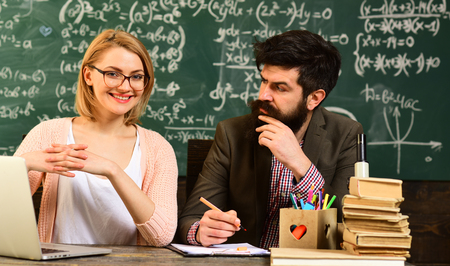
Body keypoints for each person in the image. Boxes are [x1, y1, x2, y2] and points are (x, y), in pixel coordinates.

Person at [177, 30, 363, 249]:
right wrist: (200, 231)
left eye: (279, 87)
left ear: (314, 98)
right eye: (264, 81)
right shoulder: (231, 133)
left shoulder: (347, 135)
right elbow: (191, 218)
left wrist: (300, 164)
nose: (264, 94)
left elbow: (350, 222)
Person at [14, 29, 178, 247]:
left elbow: (162, 235)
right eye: (113, 73)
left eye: (137, 77)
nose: (125, 86)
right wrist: (23, 164)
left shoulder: (158, 148)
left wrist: (112, 170)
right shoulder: (48, 133)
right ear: (88, 75)